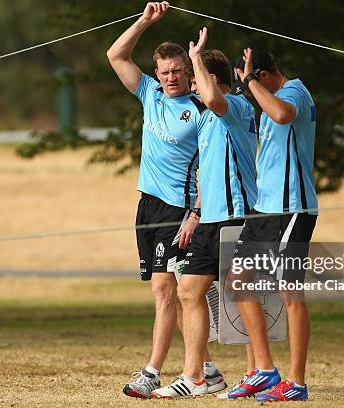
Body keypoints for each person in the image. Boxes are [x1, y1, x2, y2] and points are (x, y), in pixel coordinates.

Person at [106, 2, 224, 399]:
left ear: (187, 73)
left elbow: (211, 165)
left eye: (177, 71)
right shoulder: (149, 92)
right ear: (156, 74)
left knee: (164, 290)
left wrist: (196, 212)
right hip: (147, 206)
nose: (171, 78)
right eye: (165, 72)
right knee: (167, 291)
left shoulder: (200, 108)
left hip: (179, 210)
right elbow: (115, 55)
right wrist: (144, 21)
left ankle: (152, 372)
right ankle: (207, 367)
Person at [150, 27, 258, 399]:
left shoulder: (234, 107)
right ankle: (196, 376)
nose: (191, 87)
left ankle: (256, 372)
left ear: (210, 79)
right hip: (210, 219)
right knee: (188, 291)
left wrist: (196, 56)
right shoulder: (210, 116)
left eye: (195, 79)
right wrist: (195, 213)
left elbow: (214, 97)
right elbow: (206, 171)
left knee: (240, 295)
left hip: (237, 215)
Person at [223, 47, 319, 402]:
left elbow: (281, 114)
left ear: (262, 75)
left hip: (292, 209)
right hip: (265, 211)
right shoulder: (267, 94)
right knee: (236, 279)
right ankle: (265, 370)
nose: (244, 89)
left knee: (290, 292)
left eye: (247, 81)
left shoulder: (292, 91)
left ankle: (296, 381)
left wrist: (248, 81)